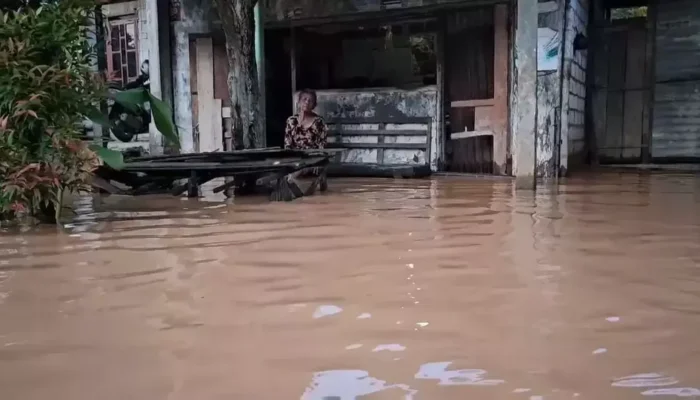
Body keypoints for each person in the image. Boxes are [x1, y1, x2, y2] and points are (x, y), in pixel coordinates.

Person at [283, 89, 328, 195]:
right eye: (304, 99)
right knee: (286, 172)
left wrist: (318, 161)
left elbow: (322, 145)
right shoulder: (291, 121)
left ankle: (294, 186)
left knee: (296, 174)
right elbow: (287, 145)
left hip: (311, 159)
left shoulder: (319, 122)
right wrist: (288, 161)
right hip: (295, 158)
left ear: (314, 105)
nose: (307, 102)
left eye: (310, 101)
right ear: (299, 101)